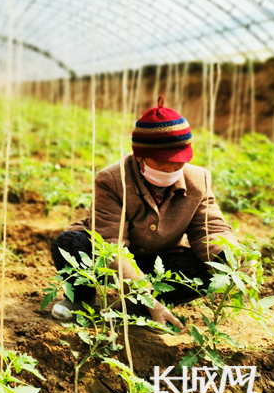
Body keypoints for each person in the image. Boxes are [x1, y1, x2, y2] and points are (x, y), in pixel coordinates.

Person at [49, 97, 239, 331]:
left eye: (178, 163)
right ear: (140, 156)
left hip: (159, 257)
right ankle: (81, 299)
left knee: (208, 269)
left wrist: (233, 257)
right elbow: (111, 244)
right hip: (109, 257)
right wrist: (147, 295)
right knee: (69, 243)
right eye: (162, 163)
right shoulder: (112, 180)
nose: (171, 169)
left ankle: (141, 307)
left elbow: (210, 228)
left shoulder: (198, 180)